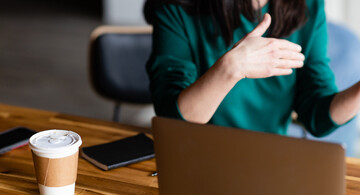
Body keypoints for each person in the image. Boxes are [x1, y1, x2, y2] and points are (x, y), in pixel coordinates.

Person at [144, 0, 360, 137]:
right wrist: (230, 68)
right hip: (195, 158)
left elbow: (317, 116)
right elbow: (172, 123)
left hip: (268, 161)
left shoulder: (309, 6)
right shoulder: (176, 6)